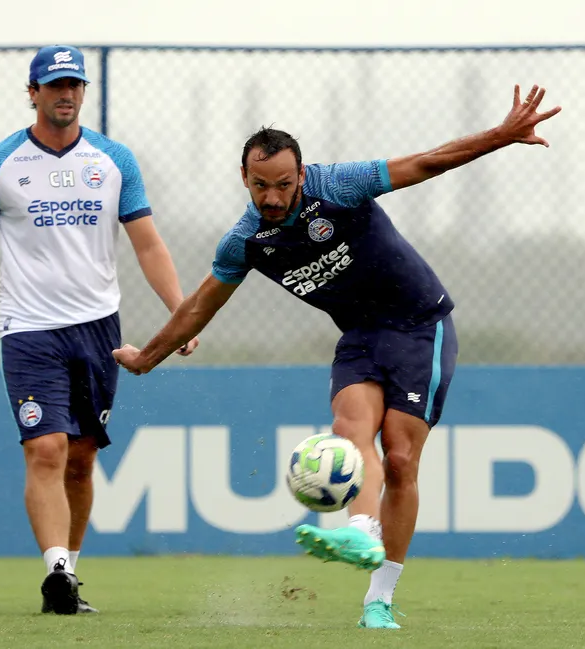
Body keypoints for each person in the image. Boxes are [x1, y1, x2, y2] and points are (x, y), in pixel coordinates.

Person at [113, 84, 561, 629]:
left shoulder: (339, 186)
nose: (272, 197)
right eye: (260, 186)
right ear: (244, 179)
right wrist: (146, 359)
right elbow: (199, 306)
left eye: (282, 184)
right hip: (361, 337)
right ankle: (361, 531)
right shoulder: (246, 241)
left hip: (422, 325)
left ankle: (380, 599)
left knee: (400, 458)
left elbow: (423, 164)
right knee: (350, 429)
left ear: (301, 175)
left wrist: (501, 135)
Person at [0, 45, 198, 615]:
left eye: (74, 84)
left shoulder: (114, 159)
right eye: (54, 85)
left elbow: (147, 243)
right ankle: (55, 569)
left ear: (83, 93)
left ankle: (68, 579)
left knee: (80, 457)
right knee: (45, 448)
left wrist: (181, 315)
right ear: (33, 93)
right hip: (28, 330)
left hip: (99, 329)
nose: (65, 94)